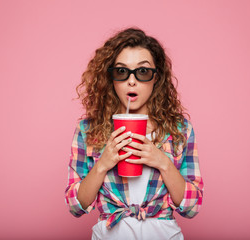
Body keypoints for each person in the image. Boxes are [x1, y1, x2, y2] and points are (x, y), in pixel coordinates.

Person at [65, 27, 204, 240]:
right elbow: (76, 206)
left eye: (143, 71)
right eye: (121, 71)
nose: (132, 81)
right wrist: (103, 164)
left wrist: (163, 162)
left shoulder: (179, 130)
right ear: (110, 78)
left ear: (156, 78)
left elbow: (192, 207)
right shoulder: (88, 130)